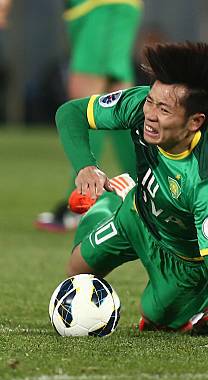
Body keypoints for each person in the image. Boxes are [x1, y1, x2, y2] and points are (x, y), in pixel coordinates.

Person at [58, 42, 208, 347]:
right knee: (77, 270)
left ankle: (204, 305)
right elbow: (70, 113)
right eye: (150, 101)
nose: (150, 114)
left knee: (156, 319)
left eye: (164, 109)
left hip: (182, 259)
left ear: (195, 121)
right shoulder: (139, 106)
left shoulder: (206, 179)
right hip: (139, 214)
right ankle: (113, 198)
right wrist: (86, 167)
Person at [36, 0, 143, 232]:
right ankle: (148, 195)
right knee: (117, 100)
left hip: (102, 6)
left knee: (87, 98)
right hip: (91, 9)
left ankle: (84, 202)